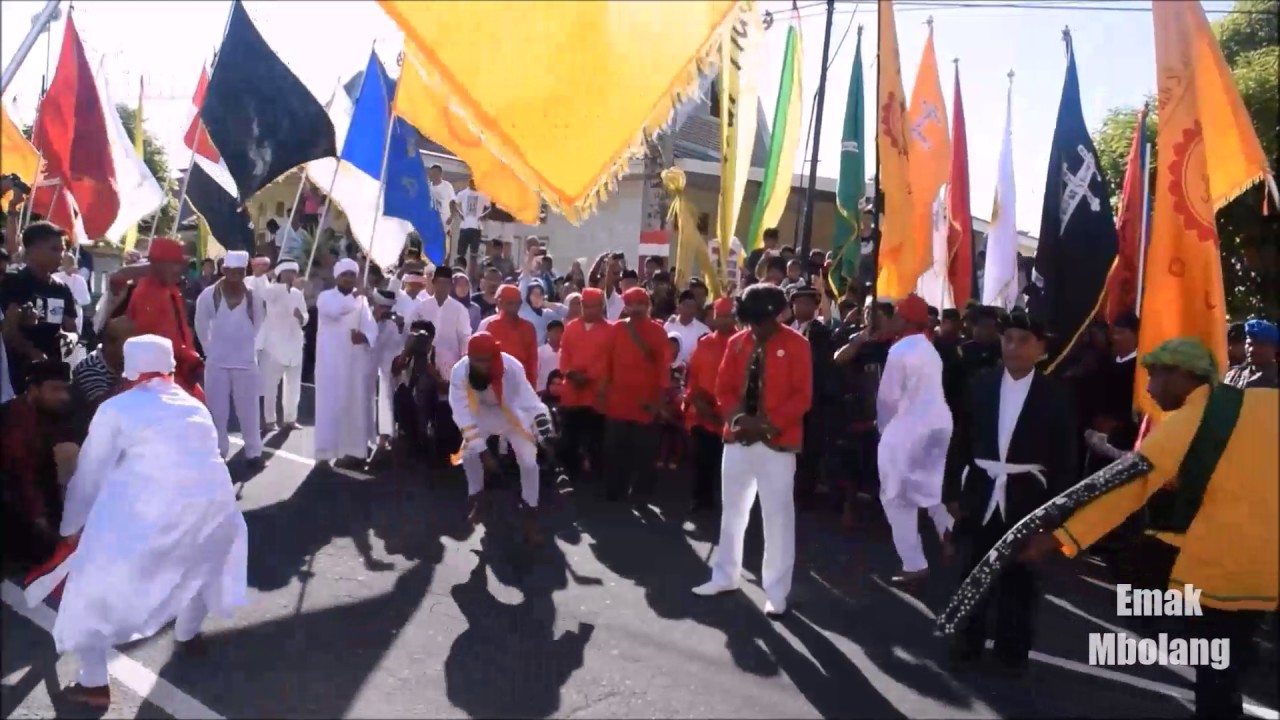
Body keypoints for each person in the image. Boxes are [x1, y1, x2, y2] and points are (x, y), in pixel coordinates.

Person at [1018, 337, 1277, 718]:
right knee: (1229, 663)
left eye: (1155, 377)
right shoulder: (1262, 402)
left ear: (1183, 376)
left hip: (1222, 572)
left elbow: (1125, 488)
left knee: (1214, 675)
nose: (1151, 390)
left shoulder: (1188, 422)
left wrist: (1060, 536)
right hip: (1266, 567)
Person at [26, 335, 248, 710]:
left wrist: (71, 529)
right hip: (216, 511)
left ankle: (94, 684)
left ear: (128, 368)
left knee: (89, 589)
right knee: (200, 565)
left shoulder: (118, 408)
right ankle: (188, 635)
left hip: (155, 516)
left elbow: (90, 475)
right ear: (170, 367)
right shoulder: (194, 405)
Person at [946, 311, 1077, 674]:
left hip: (1028, 497)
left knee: (1021, 577)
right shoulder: (981, 384)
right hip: (982, 490)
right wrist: (951, 493)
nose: (1013, 347)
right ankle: (966, 641)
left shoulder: (1055, 395)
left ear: (1041, 348)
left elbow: (1065, 459)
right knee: (973, 569)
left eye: (1023, 340)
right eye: (1008, 339)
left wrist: (1055, 516)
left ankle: (1011, 650)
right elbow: (960, 442)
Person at [692, 284, 811, 618]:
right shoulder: (737, 342)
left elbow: (802, 397)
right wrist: (738, 418)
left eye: (759, 321)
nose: (754, 328)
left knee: (777, 517)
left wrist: (767, 424)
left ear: (777, 315)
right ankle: (725, 576)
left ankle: (776, 592)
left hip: (778, 443)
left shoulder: (797, 345)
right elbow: (723, 387)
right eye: (750, 322)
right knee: (733, 512)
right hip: (738, 438)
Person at [876, 293, 955, 587]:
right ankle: (949, 531)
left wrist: (883, 428)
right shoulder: (929, 349)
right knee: (929, 487)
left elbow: (888, 399)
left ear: (905, 319)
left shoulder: (899, 351)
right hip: (939, 425)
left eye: (896, 314)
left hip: (909, 429)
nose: (891, 319)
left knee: (896, 497)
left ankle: (914, 563)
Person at [449, 332, 555, 545]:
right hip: (481, 414)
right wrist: (484, 452)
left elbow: (531, 404)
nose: (479, 365)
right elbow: (461, 413)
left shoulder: (512, 367)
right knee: (468, 454)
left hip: (512, 414)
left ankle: (530, 516)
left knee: (528, 462)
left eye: (484, 361)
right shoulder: (460, 371)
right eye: (475, 360)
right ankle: (479, 498)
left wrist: (546, 435)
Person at [1, 360, 77, 571]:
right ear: (33, 390)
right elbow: (22, 476)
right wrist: (43, 524)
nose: (63, 396)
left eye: (65, 389)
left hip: (38, 494)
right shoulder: (16, 420)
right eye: (55, 389)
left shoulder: (55, 413)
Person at [598, 287, 672, 502]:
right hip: (617, 400)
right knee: (614, 448)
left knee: (645, 451)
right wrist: (602, 393)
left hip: (645, 400)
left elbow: (663, 368)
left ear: (648, 306)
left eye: (642, 303)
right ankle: (614, 489)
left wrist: (658, 401)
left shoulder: (658, 332)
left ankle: (642, 492)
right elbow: (607, 364)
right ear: (626, 306)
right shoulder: (617, 329)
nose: (637, 308)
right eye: (633, 304)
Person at [107, 237, 204, 400]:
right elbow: (158, 339)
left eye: (181, 264)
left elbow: (180, 333)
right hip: (154, 378)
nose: (179, 270)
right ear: (156, 265)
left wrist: (192, 360)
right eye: (174, 264)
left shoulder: (170, 290)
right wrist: (189, 361)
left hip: (175, 373)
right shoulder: (148, 294)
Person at [194, 251, 266, 468]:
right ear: (223, 271)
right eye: (231, 272)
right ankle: (219, 451)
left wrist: (247, 345)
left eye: (240, 272)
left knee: (249, 410)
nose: (235, 276)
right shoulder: (209, 295)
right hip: (217, 363)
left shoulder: (254, 296)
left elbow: (259, 324)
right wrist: (210, 350)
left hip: (245, 362)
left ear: (245, 272)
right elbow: (200, 324)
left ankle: (254, 452)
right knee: (217, 411)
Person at [313, 258, 378, 467]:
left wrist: (365, 337)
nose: (349, 278)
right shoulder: (325, 297)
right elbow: (335, 311)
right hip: (330, 363)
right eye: (345, 274)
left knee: (353, 405)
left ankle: (354, 451)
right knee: (329, 406)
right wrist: (356, 297)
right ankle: (324, 452)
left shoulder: (361, 301)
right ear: (337, 276)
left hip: (353, 363)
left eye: (352, 274)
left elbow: (371, 326)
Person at [1, 222, 78, 393]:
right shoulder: (13, 283)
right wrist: (32, 352)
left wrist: (69, 338)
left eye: (62, 249)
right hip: (15, 376)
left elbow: (71, 329)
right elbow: (8, 332)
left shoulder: (62, 289)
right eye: (54, 249)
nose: (61, 255)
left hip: (50, 376)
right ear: (32, 250)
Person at [684, 297, 735, 514]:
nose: (721, 320)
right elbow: (693, 377)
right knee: (701, 459)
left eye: (726, 316)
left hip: (730, 414)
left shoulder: (744, 343)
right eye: (718, 316)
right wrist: (697, 401)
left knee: (728, 465)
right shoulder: (705, 343)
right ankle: (699, 499)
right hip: (703, 411)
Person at [556, 287, 612, 485]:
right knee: (569, 435)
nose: (589, 310)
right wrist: (570, 373)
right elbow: (564, 354)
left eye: (594, 307)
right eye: (586, 306)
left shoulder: (609, 330)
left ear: (601, 307)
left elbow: (608, 361)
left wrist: (588, 377)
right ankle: (571, 472)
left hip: (595, 392)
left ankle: (597, 476)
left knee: (596, 437)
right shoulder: (571, 327)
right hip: (572, 390)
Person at [789, 285, 833, 507]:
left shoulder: (820, 333)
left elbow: (819, 366)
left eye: (807, 303)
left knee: (807, 448)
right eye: (797, 302)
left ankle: (804, 494)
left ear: (815, 307)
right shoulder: (785, 328)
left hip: (810, 399)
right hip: (785, 397)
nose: (801, 306)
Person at [258, 260, 309, 431]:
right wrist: (272, 276)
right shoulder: (272, 290)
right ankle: (270, 420)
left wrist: (301, 316)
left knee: (294, 386)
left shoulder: (297, 293)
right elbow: (264, 293)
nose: (290, 275)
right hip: (275, 345)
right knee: (271, 385)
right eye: (286, 272)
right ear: (280, 273)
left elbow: (305, 314)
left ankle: (290, 419)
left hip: (295, 344)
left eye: (293, 272)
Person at [69, 317, 134, 438]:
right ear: (110, 342)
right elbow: (105, 411)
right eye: (132, 344)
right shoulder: (90, 369)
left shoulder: (122, 364)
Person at [409, 264, 473, 380]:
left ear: (450, 286)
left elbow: (465, 338)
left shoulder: (459, 310)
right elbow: (412, 332)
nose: (442, 287)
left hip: (450, 366)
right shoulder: (422, 307)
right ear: (433, 282)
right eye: (439, 283)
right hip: (423, 365)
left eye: (446, 284)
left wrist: (464, 361)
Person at [479, 284, 538, 387]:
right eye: (510, 303)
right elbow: (481, 359)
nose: (514, 307)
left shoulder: (528, 328)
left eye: (517, 303)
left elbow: (532, 362)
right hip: (494, 385)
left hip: (520, 384)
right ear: (500, 303)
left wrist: (531, 387)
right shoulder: (489, 326)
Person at [1224, 318, 1278, 389]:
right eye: (1250, 344)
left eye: (1261, 346)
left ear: (1275, 348)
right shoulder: (1233, 375)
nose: (1252, 350)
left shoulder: (1276, 378)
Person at [664, 290, 709, 365]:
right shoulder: (669, 326)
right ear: (678, 306)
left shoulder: (703, 330)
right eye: (686, 305)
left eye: (692, 306)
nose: (689, 310)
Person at [454, 177, 491, 266]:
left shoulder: (483, 194)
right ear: (469, 182)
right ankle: (459, 269)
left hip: (476, 227)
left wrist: (484, 215)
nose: (473, 184)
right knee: (461, 253)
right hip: (464, 226)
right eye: (472, 182)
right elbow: (454, 203)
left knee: (474, 254)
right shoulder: (463, 193)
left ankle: (472, 275)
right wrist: (460, 213)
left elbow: (490, 207)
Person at [537, 319, 563, 394]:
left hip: (561, 392)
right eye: (555, 332)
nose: (558, 335)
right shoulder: (540, 351)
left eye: (561, 332)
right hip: (543, 391)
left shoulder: (566, 352)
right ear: (548, 333)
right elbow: (535, 372)